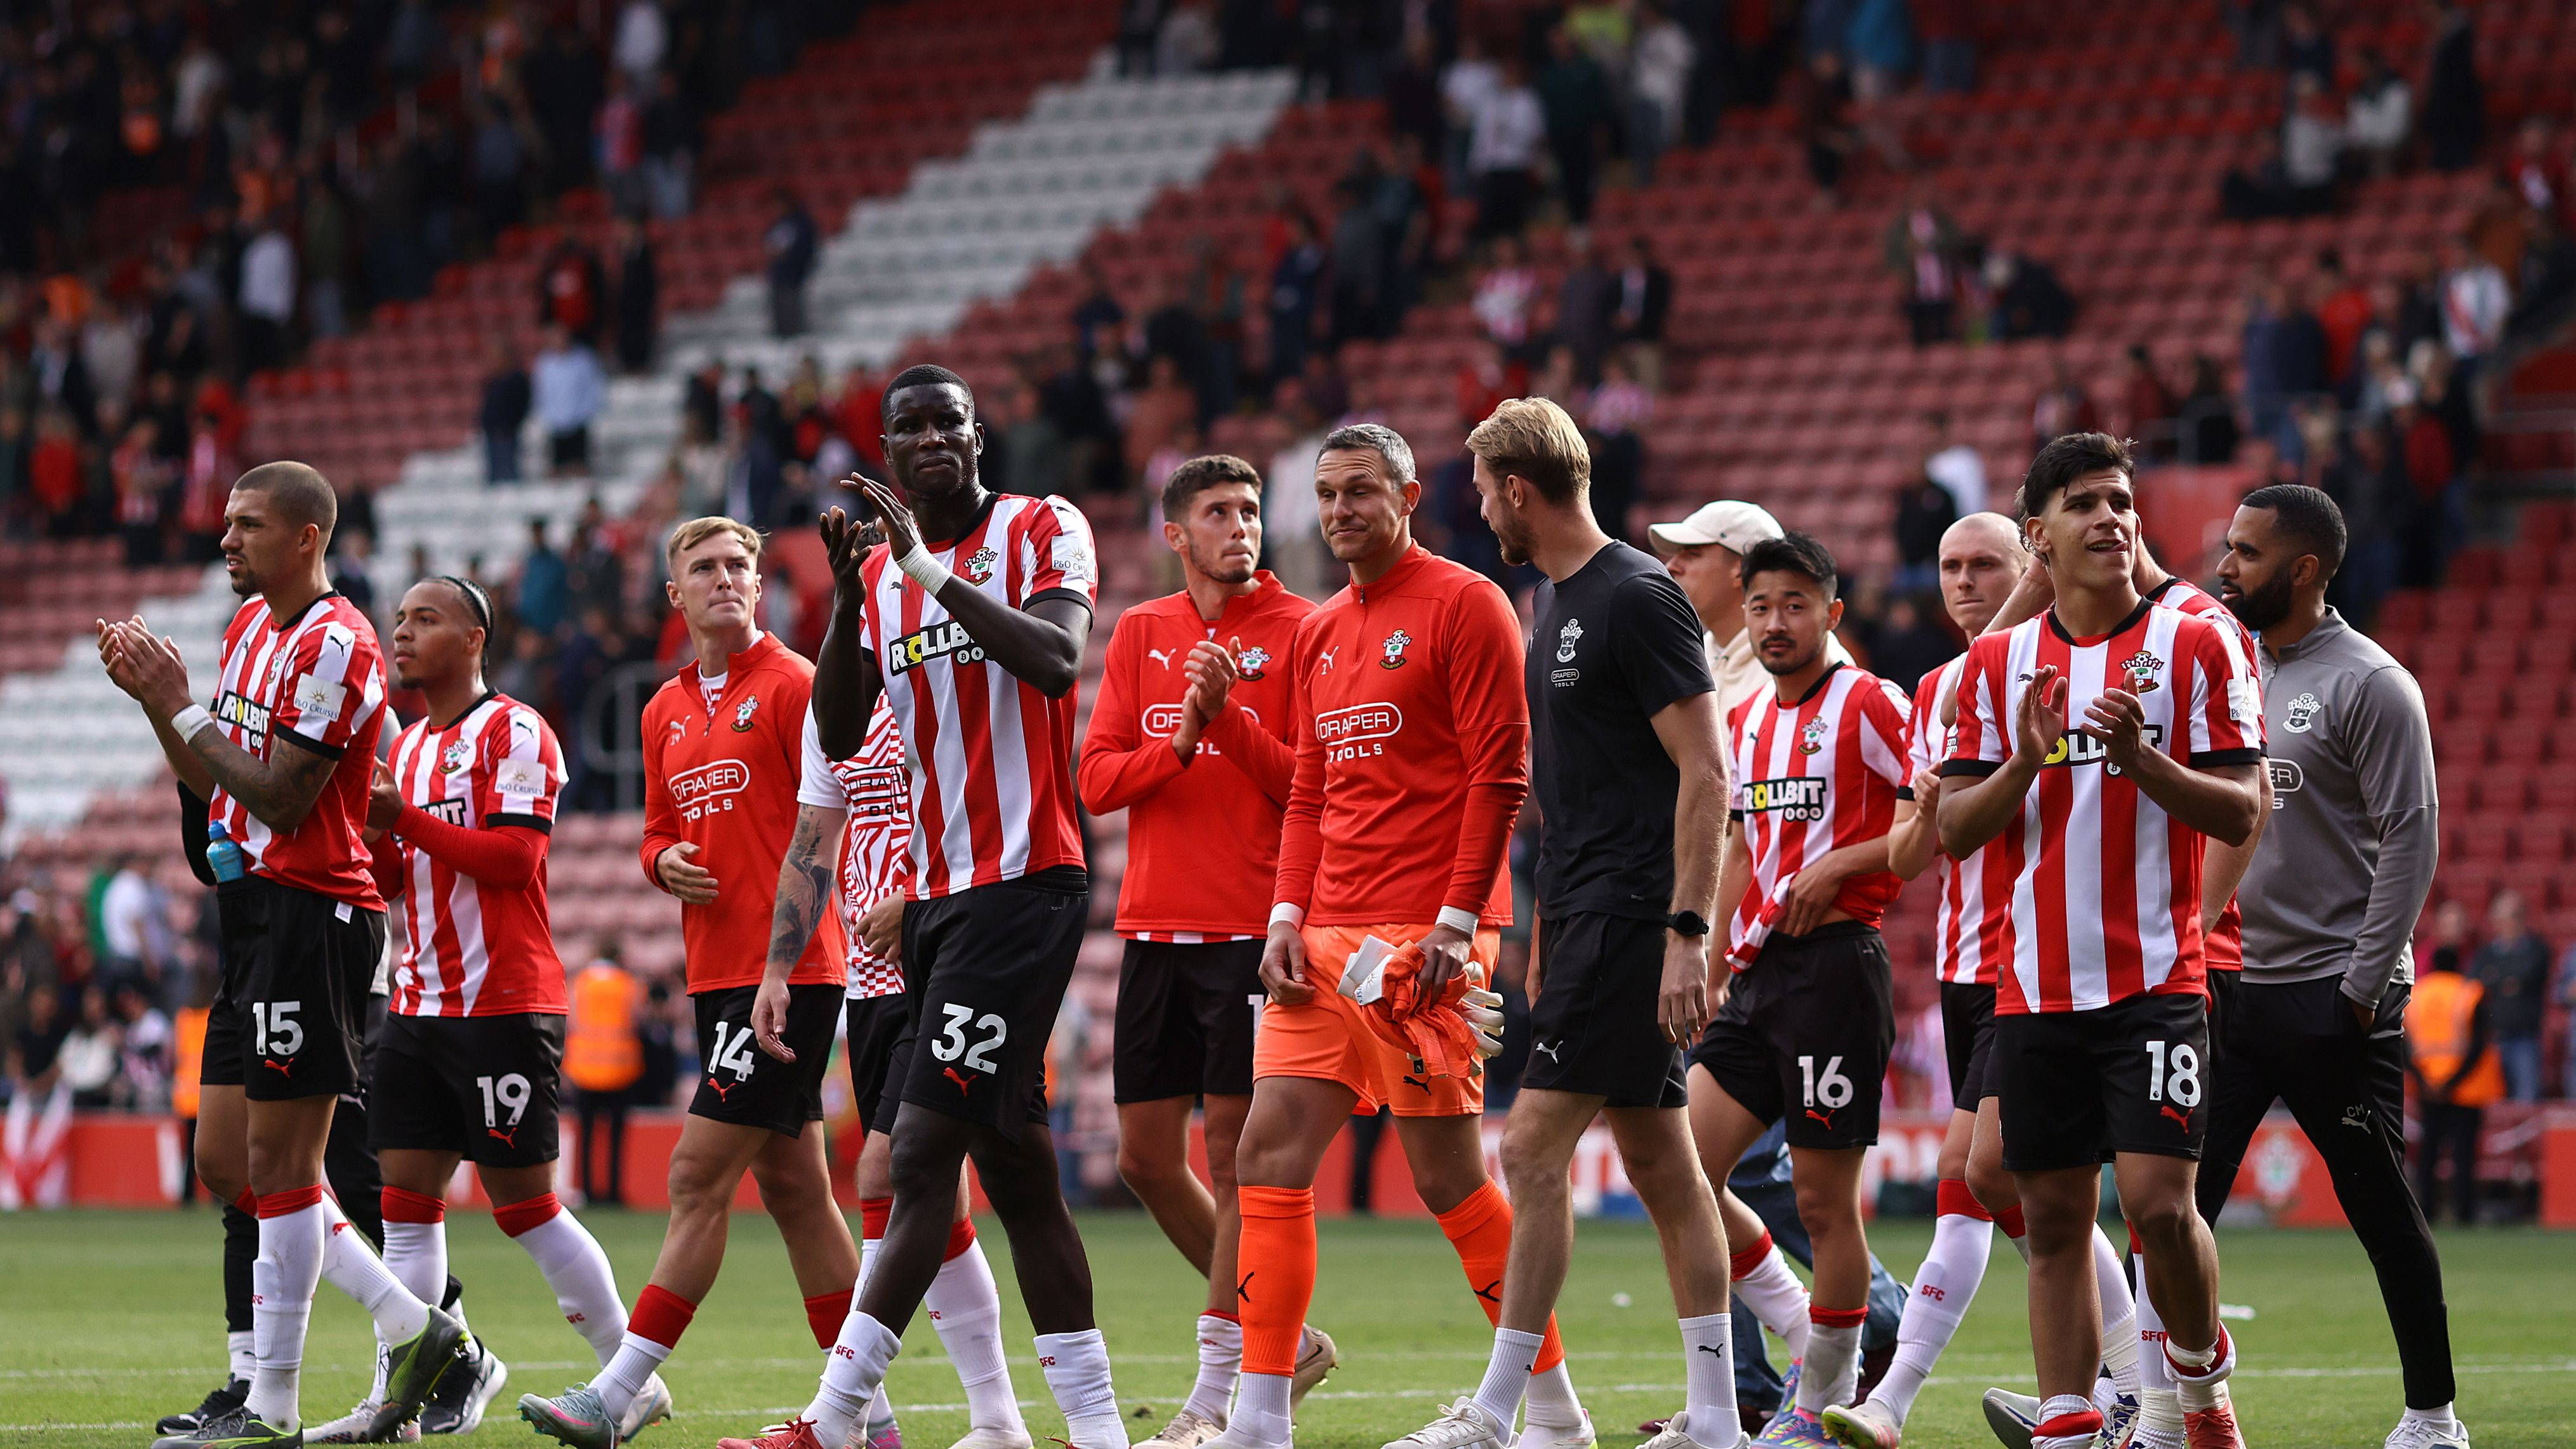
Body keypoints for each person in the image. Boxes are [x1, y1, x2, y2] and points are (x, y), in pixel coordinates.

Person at [730, 365, 1125, 1449]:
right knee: (1016, 1170)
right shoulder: (885, 581)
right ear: (888, 456)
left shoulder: (1044, 524)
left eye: (946, 418)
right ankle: (1097, 1434)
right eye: (906, 426)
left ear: (976, 433)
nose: (930, 437)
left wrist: (924, 572)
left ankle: (833, 1415)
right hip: (938, 896)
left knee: (911, 1158)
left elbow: (1053, 659)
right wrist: (859, 594)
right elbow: (844, 727)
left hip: (1024, 881)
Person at [1204, 422, 1590, 1449]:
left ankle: (1548, 1406)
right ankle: (1256, 1418)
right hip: (1326, 934)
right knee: (1263, 1152)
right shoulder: (1321, 629)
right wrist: (1284, 915)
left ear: (1410, 495)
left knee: (1445, 1177)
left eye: (1361, 491)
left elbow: (1498, 776)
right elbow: (1309, 794)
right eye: (1328, 494)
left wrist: (1457, 929)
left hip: (1427, 935)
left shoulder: (1467, 603)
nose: (1340, 511)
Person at [1387, 398, 1741, 1449]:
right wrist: (1548, 914)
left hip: (1634, 915)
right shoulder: (1556, 598)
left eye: (1482, 489)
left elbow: (1707, 771)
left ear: (1517, 489)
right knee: (1663, 1164)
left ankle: (1503, 1413)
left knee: (1532, 1146)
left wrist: (1687, 930)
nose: (1479, 508)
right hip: (1589, 911)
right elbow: (1587, 784)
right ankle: (1717, 1417)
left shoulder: (1633, 594)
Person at [99, 462, 464, 1449]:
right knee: (228, 1159)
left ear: (307, 537)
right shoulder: (252, 627)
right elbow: (210, 766)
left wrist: (180, 706)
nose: (227, 539)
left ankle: (281, 1399)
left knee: (286, 1163)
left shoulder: (339, 643)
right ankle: (415, 1329)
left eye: (248, 524)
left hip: (316, 916)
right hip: (254, 913)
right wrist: (154, 701)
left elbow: (281, 797)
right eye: (226, 522)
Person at [1936, 433, 2265, 1449]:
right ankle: (2072, 1426)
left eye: (2120, 500)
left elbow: (2244, 808)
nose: (2110, 518)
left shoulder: (2194, 641)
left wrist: (2142, 762)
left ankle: (2200, 1387)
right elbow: (1951, 828)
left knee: (2160, 1207)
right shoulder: (1993, 665)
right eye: (2082, 503)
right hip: (2030, 987)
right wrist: (2022, 762)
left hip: (2156, 976)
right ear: (2037, 535)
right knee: (2048, 1219)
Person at [519, 517, 862, 1449]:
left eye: (740, 566)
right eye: (704, 567)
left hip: (788, 970)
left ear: (761, 585)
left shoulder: (794, 683)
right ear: (673, 594)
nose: (725, 579)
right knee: (797, 1191)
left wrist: (781, 969)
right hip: (718, 972)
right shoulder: (660, 707)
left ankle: (622, 1385)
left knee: (693, 1172)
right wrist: (661, 857)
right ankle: (868, 1421)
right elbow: (655, 827)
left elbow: (826, 831)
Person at [347, 575, 660, 1440]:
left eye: (425, 618)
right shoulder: (403, 747)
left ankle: (624, 1374)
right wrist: (370, 838)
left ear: (475, 636)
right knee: (404, 1204)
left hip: (502, 1004)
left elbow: (514, 861)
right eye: (399, 620)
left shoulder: (516, 730)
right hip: (417, 1002)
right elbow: (390, 881)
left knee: (522, 1203)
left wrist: (400, 817)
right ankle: (397, 1396)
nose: (401, 633)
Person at [1830, 512, 2113, 1449]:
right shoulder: (1938, 688)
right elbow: (1919, 847)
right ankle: (2132, 1370)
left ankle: (1893, 1397)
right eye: (1948, 565)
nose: (1960, 580)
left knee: (1978, 1174)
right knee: (2008, 1187)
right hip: (1961, 961)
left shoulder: (2069, 668)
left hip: (2028, 960)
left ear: (2026, 566)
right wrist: (1902, 828)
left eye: (1983, 563)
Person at [2193, 486, 2468, 1449]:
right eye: (2227, 547)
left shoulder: (2372, 681)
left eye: (2245, 552)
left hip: (2328, 995)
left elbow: (2411, 837)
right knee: (2168, 1208)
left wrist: (2359, 985)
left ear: (2303, 570)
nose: (2224, 566)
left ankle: (2432, 1416)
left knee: (2378, 1208)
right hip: (2223, 987)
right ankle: (2140, 1398)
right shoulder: (2220, 668)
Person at [1076, 454, 1331, 1449]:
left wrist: (1225, 719)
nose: (1240, 525)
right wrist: (1179, 739)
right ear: (1174, 533)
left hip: (1249, 931)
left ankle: (1216, 1388)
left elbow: (1308, 787)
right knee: (1144, 1158)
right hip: (1151, 925)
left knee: (1233, 1161)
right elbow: (1097, 778)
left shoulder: (1304, 629)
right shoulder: (1140, 630)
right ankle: (1285, 1331)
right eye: (1217, 511)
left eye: (1250, 509)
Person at [765, 639, 1032, 1449]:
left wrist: (919, 911)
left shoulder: (949, 684)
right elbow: (815, 838)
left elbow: (987, 815)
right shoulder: (832, 706)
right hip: (869, 983)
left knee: (886, 1171)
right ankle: (997, 1420)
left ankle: (841, 1412)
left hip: (949, 958)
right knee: (937, 1195)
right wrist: (778, 968)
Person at [1679, 531, 1910, 1446]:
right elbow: (1738, 844)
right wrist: (1703, 958)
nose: (1776, 622)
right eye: (1762, 606)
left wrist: (1838, 865)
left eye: (1795, 605)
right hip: (1756, 976)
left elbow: (1925, 813)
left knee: (1822, 1202)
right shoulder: (1749, 720)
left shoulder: (1867, 699)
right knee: (1681, 1172)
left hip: (1836, 969)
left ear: (1830, 612)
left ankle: (1819, 1397)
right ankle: (1796, 1326)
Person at [1647, 500, 1853, 713]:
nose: (1671, 566)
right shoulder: (1692, 654)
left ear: (1741, 569)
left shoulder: (1807, 664)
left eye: (1692, 554)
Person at [2408, 942, 2499, 1227]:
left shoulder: (2416, 993)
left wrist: (2425, 1081)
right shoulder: (2470, 992)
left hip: (2426, 1086)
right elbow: (2478, 1044)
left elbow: (2402, 1043)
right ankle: (2464, 1212)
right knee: (2463, 1153)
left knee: (2429, 1152)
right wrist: (2453, 1081)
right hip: (2465, 1088)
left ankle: (2426, 1210)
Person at [564, 944, 643, 1207]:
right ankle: (613, 1193)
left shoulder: (580, 983)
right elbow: (634, 1021)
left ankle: (586, 1192)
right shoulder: (628, 983)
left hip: (584, 1070)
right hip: (620, 1070)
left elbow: (572, 1022)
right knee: (616, 1139)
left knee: (586, 1137)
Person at [2466, 891, 2549, 1102]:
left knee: (2526, 1099)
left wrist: (2497, 979)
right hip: (2494, 1036)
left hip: (2525, 1037)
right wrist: (2507, 981)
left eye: (2509, 918)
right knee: (2493, 1100)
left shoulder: (2537, 949)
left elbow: (2528, 975)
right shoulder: (2486, 953)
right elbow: (2476, 984)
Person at [533, 325, 605, 478]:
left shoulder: (584, 359)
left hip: (579, 418)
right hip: (556, 420)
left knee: (579, 466)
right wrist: (546, 414)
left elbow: (594, 386)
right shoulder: (545, 363)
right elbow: (541, 392)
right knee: (557, 468)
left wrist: (588, 410)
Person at [765, 187, 820, 339]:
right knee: (780, 315)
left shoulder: (800, 223)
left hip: (794, 277)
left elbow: (802, 249)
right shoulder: (780, 223)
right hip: (780, 278)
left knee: (792, 314)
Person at [481, 340, 531, 484]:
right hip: (492, 436)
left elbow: (521, 405)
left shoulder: (517, 379)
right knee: (495, 479)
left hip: (507, 437)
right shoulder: (493, 379)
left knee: (509, 479)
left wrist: (508, 426)